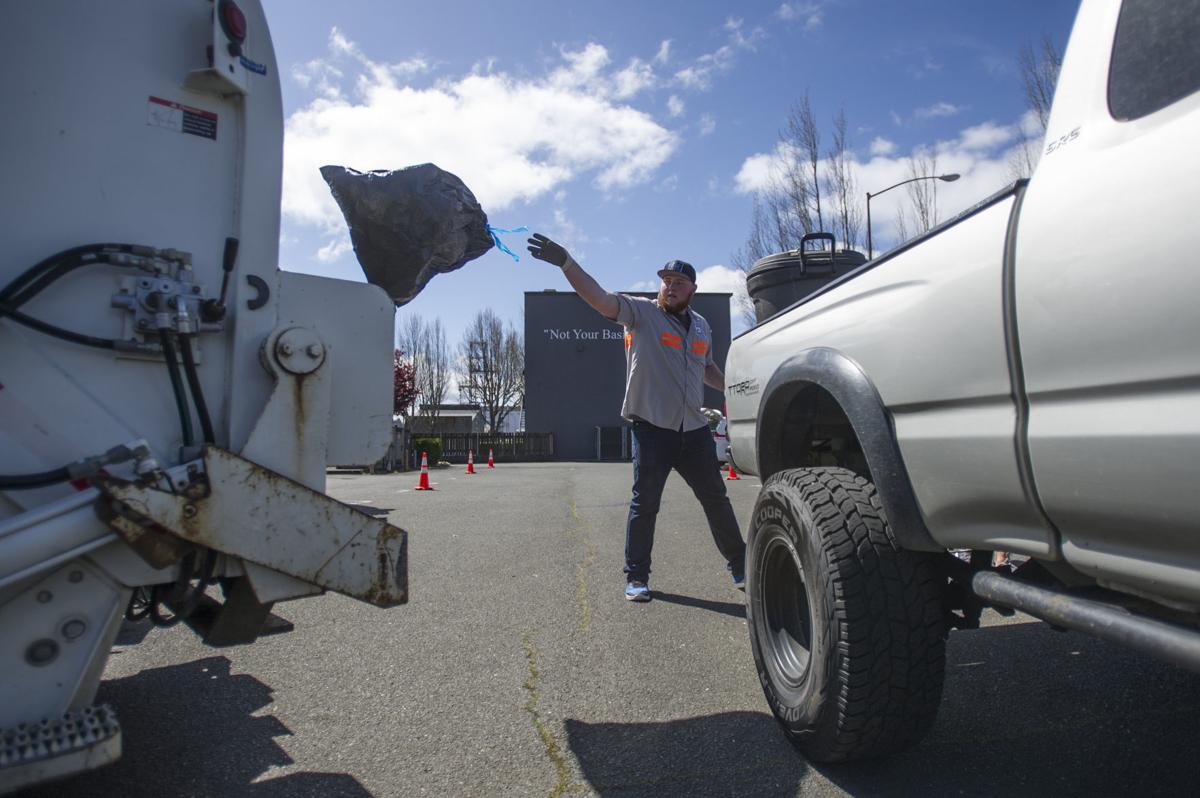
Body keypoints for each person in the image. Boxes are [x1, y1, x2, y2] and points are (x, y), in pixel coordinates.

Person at [527, 233, 746, 602]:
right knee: (645, 503)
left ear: (693, 288)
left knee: (716, 499)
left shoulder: (703, 327)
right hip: (651, 428)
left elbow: (707, 368)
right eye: (666, 281)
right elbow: (599, 299)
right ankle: (636, 577)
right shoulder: (641, 313)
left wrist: (733, 388)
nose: (670, 287)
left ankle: (741, 566)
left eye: (678, 283)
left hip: (692, 430)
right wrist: (566, 262)